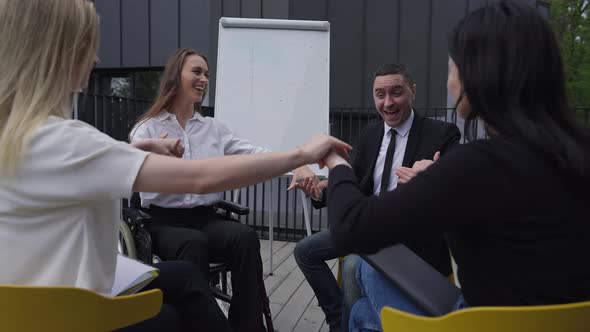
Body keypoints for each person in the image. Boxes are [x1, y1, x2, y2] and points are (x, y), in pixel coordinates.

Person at [0, 0, 351, 331]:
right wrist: (302, 154)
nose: (96, 56)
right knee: (175, 309)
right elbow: (198, 178)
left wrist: (128, 149)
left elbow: (75, 165)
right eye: (86, 44)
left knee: (199, 267)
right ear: (56, 52)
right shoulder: (73, 139)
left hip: (32, 301)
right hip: (75, 305)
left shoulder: (25, 136)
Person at [322, 1, 590, 331]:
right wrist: (436, 182)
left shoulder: (479, 163)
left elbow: (351, 228)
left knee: (365, 269)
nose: (449, 84)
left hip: (480, 322)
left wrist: (335, 161)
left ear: (477, 75)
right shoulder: (576, 150)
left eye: (451, 69)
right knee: (363, 313)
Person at [128, 47, 316, 332]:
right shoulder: (148, 128)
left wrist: (298, 163)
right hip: (163, 221)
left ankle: (246, 326)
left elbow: (255, 153)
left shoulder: (213, 129)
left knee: (244, 237)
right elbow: (132, 170)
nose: (204, 79)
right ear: (175, 77)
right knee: (194, 243)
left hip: (205, 217)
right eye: (197, 72)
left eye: (207, 74)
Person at [292, 63, 461, 331]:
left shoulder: (442, 134)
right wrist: (322, 188)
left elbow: (455, 196)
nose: (388, 103)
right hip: (369, 226)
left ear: (413, 91)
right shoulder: (371, 133)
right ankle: (339, 321)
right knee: (304, 251)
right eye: (380, 95)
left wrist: (430, 182)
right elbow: (356, 183)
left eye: (396, 93)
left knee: (352, 267)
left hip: (410, 237)